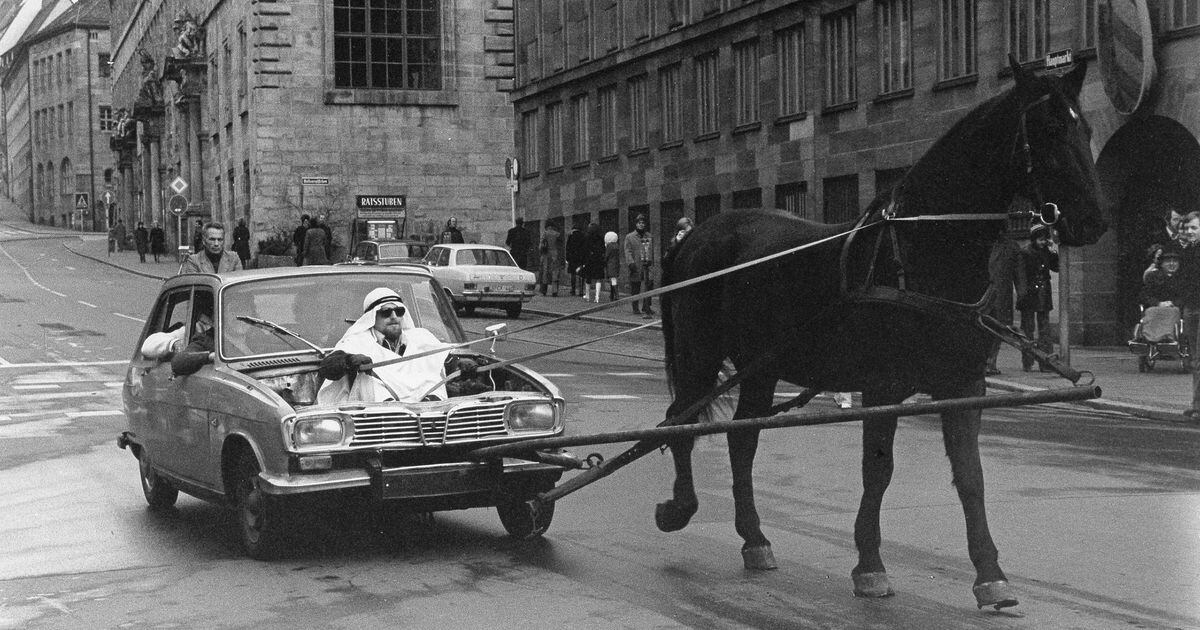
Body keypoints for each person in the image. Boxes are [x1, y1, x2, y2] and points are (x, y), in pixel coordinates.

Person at [317, 288, 451, 403]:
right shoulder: (358, 341)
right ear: (372, 316)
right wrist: (348, 360)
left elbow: (447, 359)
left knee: (434, 370)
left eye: (399, 311)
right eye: (386, 312)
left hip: (429, 412)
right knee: (366, 378)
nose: (394, 317)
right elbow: (327, 367)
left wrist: (460, 363)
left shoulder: (421, 337)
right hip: (383, 418)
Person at [1017, 223, 1059, 371]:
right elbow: (1021, 275)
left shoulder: (1047, 251)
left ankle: (1045, 362)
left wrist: (1053, 249)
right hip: (1029, 294)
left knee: (1044, 330)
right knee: (1028, 329)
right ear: (1034, 239)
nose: (1042, 242)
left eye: (1044, 239)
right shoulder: (1025, 252)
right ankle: (1027, 361)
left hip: (1043, 294)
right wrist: (1022, 294)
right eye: (1040, 239)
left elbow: (1057, 267)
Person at [985, 233, 1023, 375]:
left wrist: (1022, 294)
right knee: (990, 328)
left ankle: (990, 362)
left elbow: (1019, 275)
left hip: (1000, 296)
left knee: (997, 329)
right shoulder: (982, 243)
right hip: (987, 295)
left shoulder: (1012, 247)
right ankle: (987, 362)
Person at [179, 221, 243, 274]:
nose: (216, 244)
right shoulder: (194, 261)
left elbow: (239, 284)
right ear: (204, 241)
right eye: (212, 239)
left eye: (220, 240)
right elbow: (195, 285)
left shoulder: (233, 258)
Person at [623, 214, 655, 318]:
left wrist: (651, 261)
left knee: (649, 284)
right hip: (636, 264)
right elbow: (627, 251)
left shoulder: (649, 236)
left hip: (646, 265)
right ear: (636, 224)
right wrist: (630, 263)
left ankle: (646, 306)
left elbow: (651, 250)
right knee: (635, 286)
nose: (641, 225)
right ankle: (635, 306)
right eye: (639, 223)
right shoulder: (630, 237)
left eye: (643, 223)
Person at [582, 223, 605, 303]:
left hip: (589, 259)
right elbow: (603, 249)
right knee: (598, 278)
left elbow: (584, 249)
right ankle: (597, 297)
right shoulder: (600, 238)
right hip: (598, 259)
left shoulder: (587, 238)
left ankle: (587, 296)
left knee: (588, 278)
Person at [538, 221, 562, 297]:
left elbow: (540, 246)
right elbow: (560, 245)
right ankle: (554, 291)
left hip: (545, 255)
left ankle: (544, 291)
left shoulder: (544, 233)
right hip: (554, 254)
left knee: (545, 272)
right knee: (555, 272)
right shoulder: (557, 234)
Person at [565, 224, 586, 296]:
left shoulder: (571, 237)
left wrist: (567, 258)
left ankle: (573, 290)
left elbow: (567, 248)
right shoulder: (583, 236)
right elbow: (584, 248)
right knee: (581, 274)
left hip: (572, 258)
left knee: (573, 274)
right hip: (580, 258)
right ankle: (581, 291)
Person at [603, 231, 621, 302]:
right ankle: (612, 294)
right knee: (614, 279)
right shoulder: (616, 245)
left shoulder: (609, 246)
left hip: (610, 264)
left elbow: (607, 255)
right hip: (616, 264)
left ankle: (616, 295)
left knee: (613, 279)